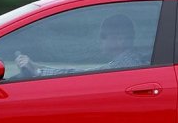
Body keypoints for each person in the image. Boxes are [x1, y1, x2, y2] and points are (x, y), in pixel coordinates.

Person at [15, 14, 146, 77]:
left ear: (120, 40)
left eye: (103, 36)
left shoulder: (123, 65)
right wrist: (37, 67)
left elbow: (82, 75)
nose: (100, 40)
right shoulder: (130, 61)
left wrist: (37, 71)